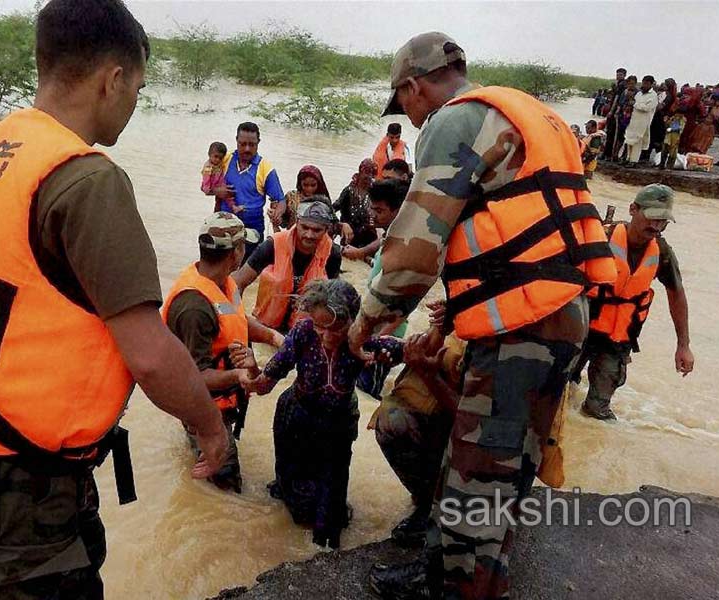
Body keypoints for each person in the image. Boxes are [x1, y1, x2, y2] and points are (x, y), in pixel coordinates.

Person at [0, 2, 228, 597]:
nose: (132, 104)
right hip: (26, 477)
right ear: (114, 78)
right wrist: (210, 427)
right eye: (138, 89)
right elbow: (150, 354)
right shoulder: (87, 179)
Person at [351, 32, 616, 599]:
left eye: (406, 107)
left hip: (523, 325)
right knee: (500, 473)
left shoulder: (453, 121)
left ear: (414, 86)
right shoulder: (535, 116)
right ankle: (439, 573)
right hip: (563, 315)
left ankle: (458, 590)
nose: (413, 120)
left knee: (477, 487)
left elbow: (416, 250)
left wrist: (367, 318)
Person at [247, 279, 404, 549]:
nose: (326, 335)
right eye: (320, 326)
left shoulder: (364, 341)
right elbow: (263, 385)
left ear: (354, 322)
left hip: (339, 424)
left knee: (332, 515)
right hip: (295, 417)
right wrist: (250, 372)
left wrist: (437, 328)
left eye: (335, 328)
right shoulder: (303, 333)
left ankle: (325, 551)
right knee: (292, 499)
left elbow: (411, 350)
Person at [162, 213, 285, 492]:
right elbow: (194, 377)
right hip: (205, 409)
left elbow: (236, 320)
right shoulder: (194, 306)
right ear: (236, 253)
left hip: (223, 400)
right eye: (244, 246)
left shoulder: (225, 282)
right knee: (225, 488)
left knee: (210, 471)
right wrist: (239, 374)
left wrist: (273, 337)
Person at [573, 184, 694, 420]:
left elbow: (677, 295)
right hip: (580, 329)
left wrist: (683, 345)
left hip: (617, 338)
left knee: (598, 411)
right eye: (651, 218)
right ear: (633, 210)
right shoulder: (600, 237)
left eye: (663, 221)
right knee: (556, 391)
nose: (656, 226)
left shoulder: (662, 252)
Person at [369, 304, 463, 548]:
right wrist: (402, 349)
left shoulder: (503, 337)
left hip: (478, 435)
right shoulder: (460, 307)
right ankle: (428, 497)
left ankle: (443, 516)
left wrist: (424, 370)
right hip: (442, 414)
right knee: (392, 419)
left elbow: (474, 418)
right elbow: (435, 351)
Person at [233, 200, 342, 333]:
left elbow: (331, 297)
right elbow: (237, 283)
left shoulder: (333, 253)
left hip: (305, 330)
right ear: (297, 223)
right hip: (267, 327)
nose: (309, 235)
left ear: (327, 229)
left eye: (316, 230)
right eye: (305, 227)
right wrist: (235, 317)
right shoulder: (272, 245)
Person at [356, 179, 411, 399]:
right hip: (372, 327)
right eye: (372, 207)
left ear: (397, 211)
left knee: (368, 391)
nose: (372, 213)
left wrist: (381, 338)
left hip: (384, 334)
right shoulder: (389, 238)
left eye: (379, 210)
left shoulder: (404, 247)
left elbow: (407, 302)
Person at [214, 122, 286, 258]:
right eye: (243, 144)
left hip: (252, 230)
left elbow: (280, 200)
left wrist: (277, 214)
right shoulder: (225, 160)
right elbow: (206, 185)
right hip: (223, 227)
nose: (247, 149)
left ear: (258, 142)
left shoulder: (265, 168)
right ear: (236, 141)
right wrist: (217, 191)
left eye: (252, 145)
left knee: (246, 274)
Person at [335, 158, 380, 260]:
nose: (368, 176)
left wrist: (375, 222)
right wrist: (341, 225)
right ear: (360, 171)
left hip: (369, 241)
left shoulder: (375, 192)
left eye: (372, 174)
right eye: (366, 172)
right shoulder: (349, 191)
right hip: (349, 240)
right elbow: (332, 210)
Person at [269, 164, 331, 232]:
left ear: (318, 184)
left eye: (313, 185)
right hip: (291, 237)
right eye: (305, 185)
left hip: (314, 239)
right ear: (300, 183)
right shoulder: (291, 197)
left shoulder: (323, 201)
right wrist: (276, 215)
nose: (309, 189)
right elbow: (284, 223)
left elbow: (331, 225)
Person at [623, 75, 658, 166]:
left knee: (637, 141)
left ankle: (633, 161)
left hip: (643, 122)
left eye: (646, 83)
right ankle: (627, 158)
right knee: (629, 139)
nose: (644, 85)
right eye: (643, 83)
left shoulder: (653, 96)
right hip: (633, 120)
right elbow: (633, 103)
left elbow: (647, 108)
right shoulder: (639, 94)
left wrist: (635, 104)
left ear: (651, 84)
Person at [201, 141, 235, 213]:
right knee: (220, 201)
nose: (218, 160)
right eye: (216, 157)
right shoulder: (208, 167)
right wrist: (208, 189)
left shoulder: (219, 163)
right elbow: (206, 181)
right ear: (209, 154)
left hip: (220, 183)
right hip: (214, 186)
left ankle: (233, 207)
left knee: (227, 197)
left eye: (220, 158)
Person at [601, 67, 628, 160]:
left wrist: (612, 111)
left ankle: (609, 155)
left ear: (624, 76)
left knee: (613, 134)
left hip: (616, 113)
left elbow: (617, 99)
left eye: (620, 74)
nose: (618, 76)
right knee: (610, 133)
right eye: (617, 74)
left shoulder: (622, 85)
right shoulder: (618, 84)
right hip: (615, 111)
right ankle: (607, 153)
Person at [659, 79, 684, 170]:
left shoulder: (669, 96)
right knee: (667, 144)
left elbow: (676, 129)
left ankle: (667, 165)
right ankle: (664, 165)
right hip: (670, 120)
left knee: (670, 145)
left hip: (671, 122)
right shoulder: (672, 96)